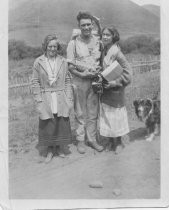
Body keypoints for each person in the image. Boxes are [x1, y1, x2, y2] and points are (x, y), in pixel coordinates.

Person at [67, 11, 104, 154]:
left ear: (92, 25)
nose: (86, 27)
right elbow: (70, 66)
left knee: (93, 112)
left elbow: (104, 35)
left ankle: (92, 139)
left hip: (94, 82)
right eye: (83, 25)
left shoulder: (97, 40)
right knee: (80, 112)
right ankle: (80, 141)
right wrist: (82, 74)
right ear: (79, 26)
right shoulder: (73, 43)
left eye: (89, 24)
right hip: (80, 82)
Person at [31, 34, 72, 163]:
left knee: (60, 122)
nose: (52, 49)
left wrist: (69, 97)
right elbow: (35, 82)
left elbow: (67, 80)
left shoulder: (63, 61)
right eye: (50, 46)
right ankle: (49, 150)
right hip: (46, 97)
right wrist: (38, 99)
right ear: (45, 46)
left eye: (55, 46)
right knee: (48, 124)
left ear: (58, 47)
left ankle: (59, 148)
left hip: (60, 96)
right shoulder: (39, 62)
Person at [99, 26, 132, 154]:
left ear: (114, 37)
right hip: (105, 91)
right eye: (104, 34)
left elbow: (128, 74)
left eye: (108, 35)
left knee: (116, 117)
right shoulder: (104, 51)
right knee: (108, 117)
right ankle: (111, 141)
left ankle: (118, 143)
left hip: (116, 91)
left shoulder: (117, 53)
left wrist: (115, 83)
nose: (105, 37)